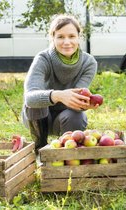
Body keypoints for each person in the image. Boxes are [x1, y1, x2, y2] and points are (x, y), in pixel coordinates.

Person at [22, 14, 98, 153]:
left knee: (78, 115)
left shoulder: (88, 63)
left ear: (79, 37)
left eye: (71, 36)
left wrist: (85, 104)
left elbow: (76, 99)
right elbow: (29, 97)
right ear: (52, 38)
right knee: (36, 103)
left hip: (65, 117)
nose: (67, 42)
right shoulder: (43, 59)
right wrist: (57, 95)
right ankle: (40, 149)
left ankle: (66, 154)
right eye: (60, 37)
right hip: (38, 118)